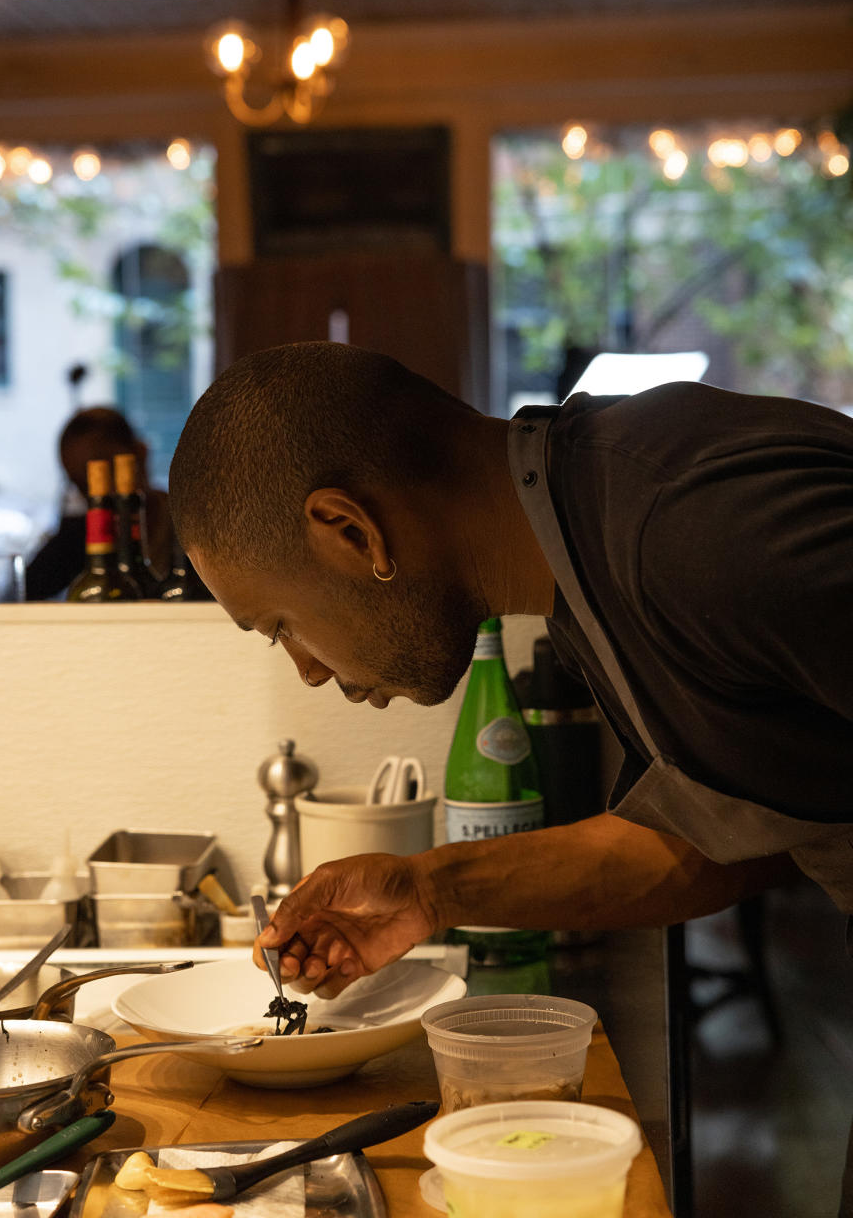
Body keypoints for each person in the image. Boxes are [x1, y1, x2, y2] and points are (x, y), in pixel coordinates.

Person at [168, 341, 853, 1203]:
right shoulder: (585, 553)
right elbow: (720, 830)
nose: (306, 669)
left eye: (278, 624)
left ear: (351, 530)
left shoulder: (695, 526)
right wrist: (429, 891)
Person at [26, 406, 173, 599]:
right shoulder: (77, 541)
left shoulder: (184, 527)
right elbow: (24, 592)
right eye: (79, 482)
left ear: (140, 453)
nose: (95, 494)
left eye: (103, 471)